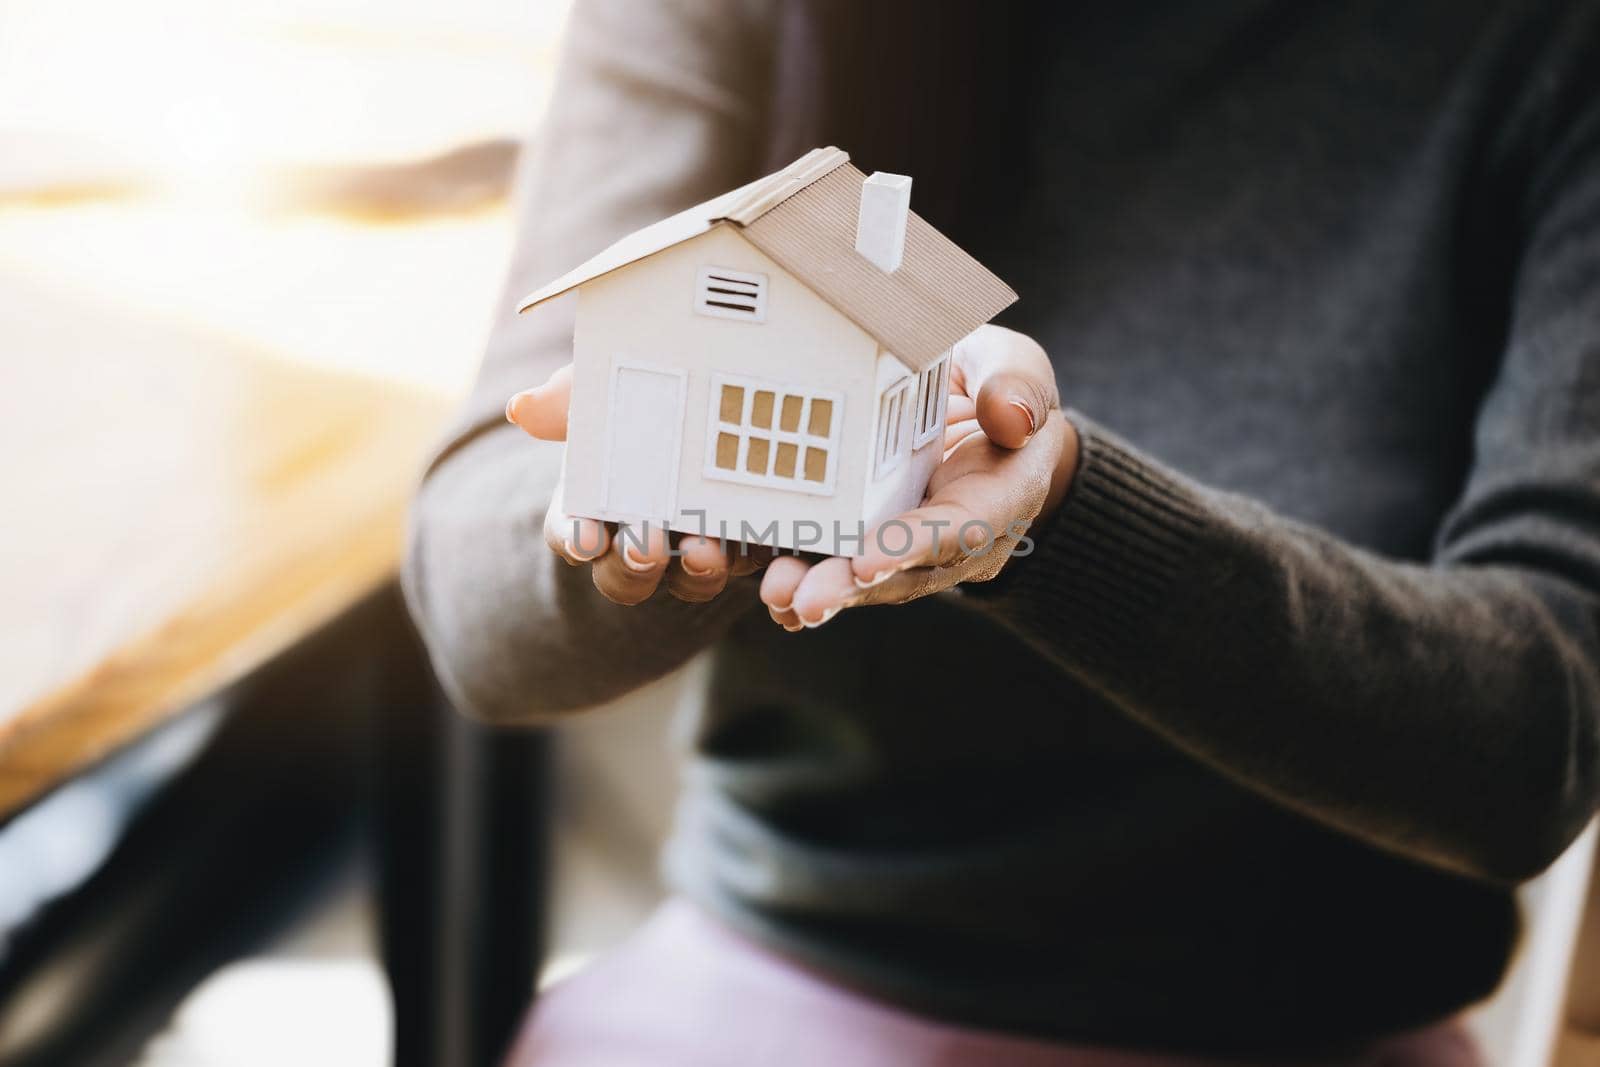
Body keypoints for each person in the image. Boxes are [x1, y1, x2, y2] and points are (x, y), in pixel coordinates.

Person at [403, 1, 1600, 1063]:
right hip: (784, 968)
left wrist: (1061, 521)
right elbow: (477, 606)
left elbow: (1536, 739)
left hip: (1304, 1026)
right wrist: (679, 492)